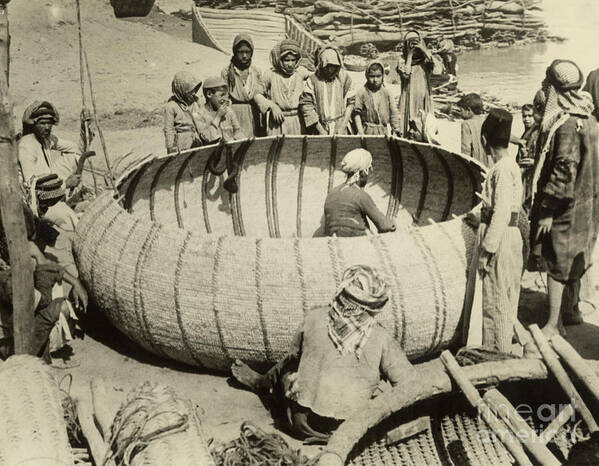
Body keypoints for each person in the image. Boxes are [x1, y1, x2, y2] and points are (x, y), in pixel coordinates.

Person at [231, 264, 417, 442]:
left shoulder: (314, 316)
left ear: (342, 292)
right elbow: (410, 385)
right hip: (352, 432)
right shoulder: (381, 337)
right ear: (375, 308)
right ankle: (265, 384)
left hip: (301, 424)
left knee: (289, 365)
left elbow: (293, 354)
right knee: (371, 379)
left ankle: (262, 383)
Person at [529, 59, 599, 336]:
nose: (544, 89)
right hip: (588, 204)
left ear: (557, 89)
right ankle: (572, 311)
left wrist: (547, 209)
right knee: (576, 260)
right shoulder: (590, 119)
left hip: (567, 206)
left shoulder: (568, 124)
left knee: (556, 262)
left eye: (548, 84)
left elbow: (564, 169)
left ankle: (554, 324)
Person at [0, 175, 88, 367]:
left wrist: (76, 283)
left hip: (27, 302)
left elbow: (44, 262)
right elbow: (38, 299)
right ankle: (18, 353)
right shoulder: (5, 270)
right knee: (57, 306)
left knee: (58, 301)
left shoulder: (28, 247)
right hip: (14, 318)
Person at [465, 108, 523, 353]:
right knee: (506, 294)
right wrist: (477, 218)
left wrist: (487, 250)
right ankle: (499, 346)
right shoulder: (510, 166)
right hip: (508, 234)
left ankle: (495, 352)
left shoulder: (500, 170)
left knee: (495, 297)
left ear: (485, 140)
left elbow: (500, 213)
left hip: (500, 239)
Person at [18, 101, 82, 232]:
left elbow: (74, 149)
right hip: (37, 202)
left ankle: (60, 199)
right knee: (73, 223)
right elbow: (31, 189)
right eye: (42, 123)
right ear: (33, 125)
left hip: (50, 188)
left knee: (75, 156)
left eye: (50, 123)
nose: (47, 127)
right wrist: (65, 184)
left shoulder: (46, 139)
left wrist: (84, 131)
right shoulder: (26, 146)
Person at [324, 148, 396, 237]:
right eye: (369, 169)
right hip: (358, 244)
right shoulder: (361, 196)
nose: (370, 173)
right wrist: (393, 224)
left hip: (335, 241)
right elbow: (384, 226)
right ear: (363, 172)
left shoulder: (332, 193)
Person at [254, 40, 311, 136]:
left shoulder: (300, 72)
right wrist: (273, 106)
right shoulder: (271, 74)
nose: (290, 64)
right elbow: (257, 94)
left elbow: (316, 77)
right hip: (278, 121)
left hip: (297, 121)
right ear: (280, 60)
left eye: (293, 60)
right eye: (286, 60)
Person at [299, 46, 355, 135]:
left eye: (333, 66)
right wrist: (321, 130)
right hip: (320, 127)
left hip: (340, 127)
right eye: (327, 66)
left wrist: (342, 126)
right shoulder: (313, 80)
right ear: (321, 64)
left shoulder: (344, 78)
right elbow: (307, 105)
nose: (329, 70)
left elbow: (351, 103)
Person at [221, 34, 263, 137]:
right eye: (240, 52)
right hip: (234, 113)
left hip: (253, 113)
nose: (244, 55)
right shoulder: (226, 72)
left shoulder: (256, 71)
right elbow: (223, 95)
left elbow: (261, 93)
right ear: (235, 52)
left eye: (247, 52)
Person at [396, 30, 435, 140]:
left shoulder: (425, 60)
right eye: (411, 42)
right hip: (409, 97)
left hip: (424, 97)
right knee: (409, 124)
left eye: (416, 41)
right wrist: (410, 55)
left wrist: (423, 49)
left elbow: (435, 68)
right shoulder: (402, 60)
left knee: (425, 125)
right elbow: (406, 75)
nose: (414, 44)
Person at [353, 60, 401, 136]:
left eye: (378, 76)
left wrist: (395, 129)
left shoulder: (387, 93)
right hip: (366, 132)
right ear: (366, 76)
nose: (375, 80)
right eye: (372, 76)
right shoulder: (361, 92)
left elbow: (393, 113)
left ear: (383, 76)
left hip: (383, 132)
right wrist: (361, 132)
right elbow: (357, 114)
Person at [195, 76, 245, 144]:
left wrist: (234, 139)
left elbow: (238, 131)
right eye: (222, 95)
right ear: (209, 94)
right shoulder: (199, 114)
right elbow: (207, 138)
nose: (226, 99)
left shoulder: (229, 111)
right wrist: (218, 117)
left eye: (227, 96)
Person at [163, 71, 203, 153]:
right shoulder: (171, 106)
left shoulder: (196, 101)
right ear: (182, 90)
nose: (194, 93)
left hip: (198, 141)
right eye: (190, 91)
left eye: (194, 89)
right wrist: (170, 148)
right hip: (182, 144)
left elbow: (204, 118)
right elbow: (169, 130)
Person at [516, 103, 542, 208]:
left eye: (530, 116)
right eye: (524, 116)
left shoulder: (537, 133)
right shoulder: (527, 132)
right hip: (524, 174)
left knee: (526, 204)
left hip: (532, 174)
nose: (526, 119)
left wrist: (534, 162)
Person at [457, 93, 491, 167]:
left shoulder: (466, 124)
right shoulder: (485, 119)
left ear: (468, 110)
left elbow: (466, 148)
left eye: (461, 110)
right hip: (489, 161)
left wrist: (464, 164)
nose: (460, 113)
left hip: (476, 162)